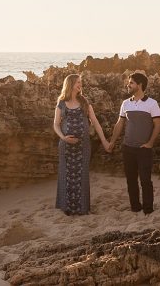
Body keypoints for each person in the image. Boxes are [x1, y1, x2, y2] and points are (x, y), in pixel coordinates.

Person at [53, 73, 111, 215]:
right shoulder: (61, 103)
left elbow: (95, 122)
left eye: (80, 82)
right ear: (70, 84)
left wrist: (104, 141)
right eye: (77, 82)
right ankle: (67, 208)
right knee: (66, 176)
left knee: (81, 176)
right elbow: (55, 124)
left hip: (83, 146)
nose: (80, 85)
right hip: (66, 147)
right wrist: (63, 138)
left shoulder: (85, 102)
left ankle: (82, 208)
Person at [109, 71, 160, 215]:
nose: (128, 85)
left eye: (131, 82)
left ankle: (148, 209)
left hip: (144, 149)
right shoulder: (126, 103)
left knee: (145, 180)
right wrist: (112, 142)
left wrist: (150, 143)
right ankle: (135, 207)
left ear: (140, 85)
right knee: (131, 180)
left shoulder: (152, 103)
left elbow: (158, 124)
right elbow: (120, 123)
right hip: (128, 148)